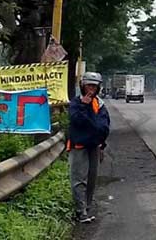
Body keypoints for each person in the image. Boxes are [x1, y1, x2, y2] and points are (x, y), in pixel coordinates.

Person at [68, 71, 110, 223]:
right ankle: (80, 211)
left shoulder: (100, 104)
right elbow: (77, 121)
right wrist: (84, 106)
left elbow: (104, 125)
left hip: (95, 146)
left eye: (94, 86)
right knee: (79, 180)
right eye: (88, 86)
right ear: (83, 86)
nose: (91, 89)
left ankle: (88, 207)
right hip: (79, 146)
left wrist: (102, 144)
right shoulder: (76, 103)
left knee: (92, 179)